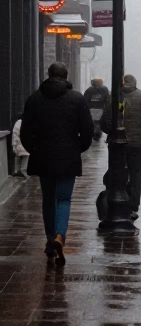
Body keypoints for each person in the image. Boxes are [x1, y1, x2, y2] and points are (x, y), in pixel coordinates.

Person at [20, 61, 94, 265]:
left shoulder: (35, 99)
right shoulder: (77, 99)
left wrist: (34, 149)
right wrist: (77, 148)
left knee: (48, 199)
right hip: (67, 157)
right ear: (66, 76)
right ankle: (60, 236)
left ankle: (50, 238)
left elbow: (25, 131)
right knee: (64, 199)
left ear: (49, 74)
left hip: (43, 157)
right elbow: (87, 130)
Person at [102, 74, 141, 219]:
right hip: (137, 144)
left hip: (117, 145)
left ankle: (116, 201)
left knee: (117, 172)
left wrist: (112, 132)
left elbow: (105, 121)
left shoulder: (114, 97)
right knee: (136, 174)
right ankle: (132, 206)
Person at [83, 77, 110, 142]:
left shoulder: (89, 90)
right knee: (97, 122)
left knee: (94, 122)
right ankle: (97, 134)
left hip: (92, 108)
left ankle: (95, 134)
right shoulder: (104, 89)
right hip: (100, 108)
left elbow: (85, 99)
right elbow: (107, 99)